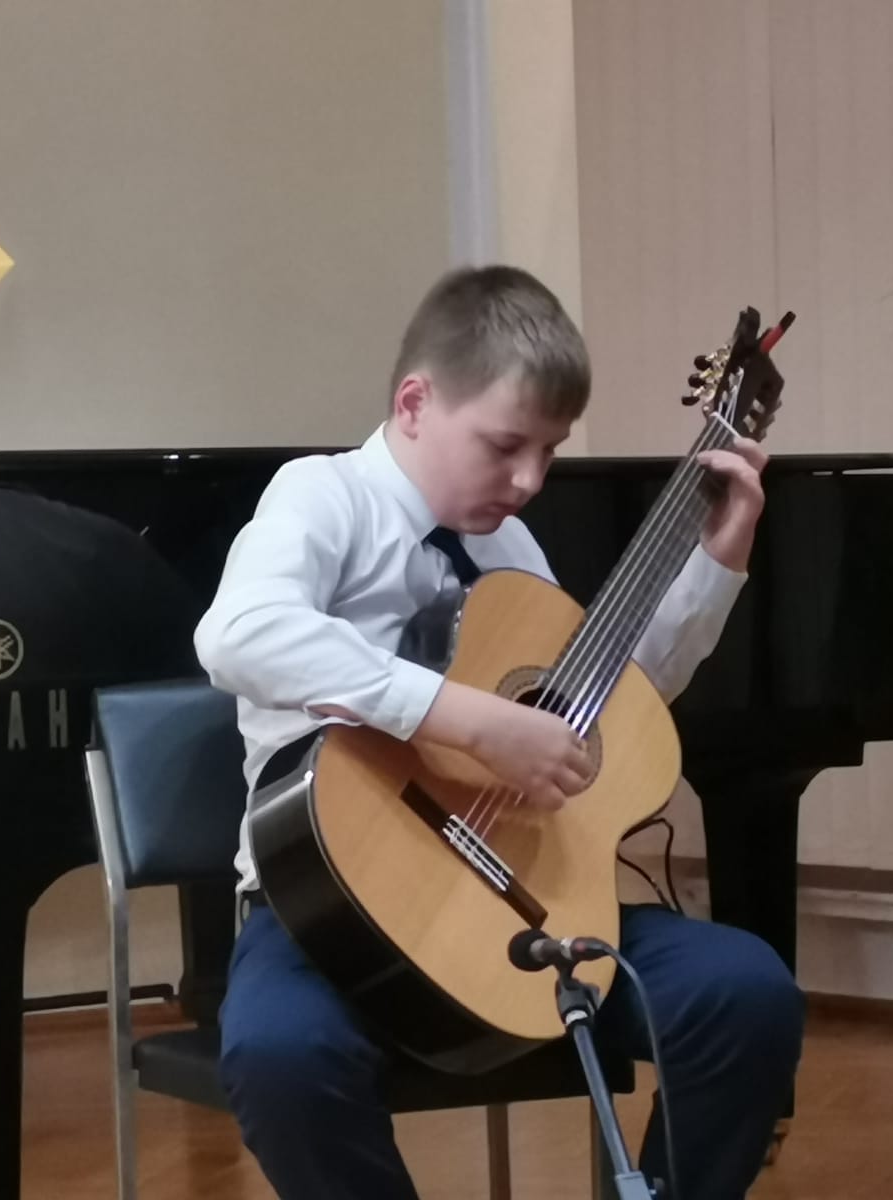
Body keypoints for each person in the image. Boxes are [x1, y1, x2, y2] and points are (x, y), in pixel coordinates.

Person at [195, 265, 805, 1199]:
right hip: (328, 913)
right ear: (414, 404)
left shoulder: (508, 548)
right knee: (282, 1057)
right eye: (504, 445)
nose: (529, 480)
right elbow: (238, 632)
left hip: (527, 904)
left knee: (745, 992)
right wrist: (471, 721)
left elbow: (606, 705)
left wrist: (717, 559)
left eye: (549, 452)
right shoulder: (323, 497)